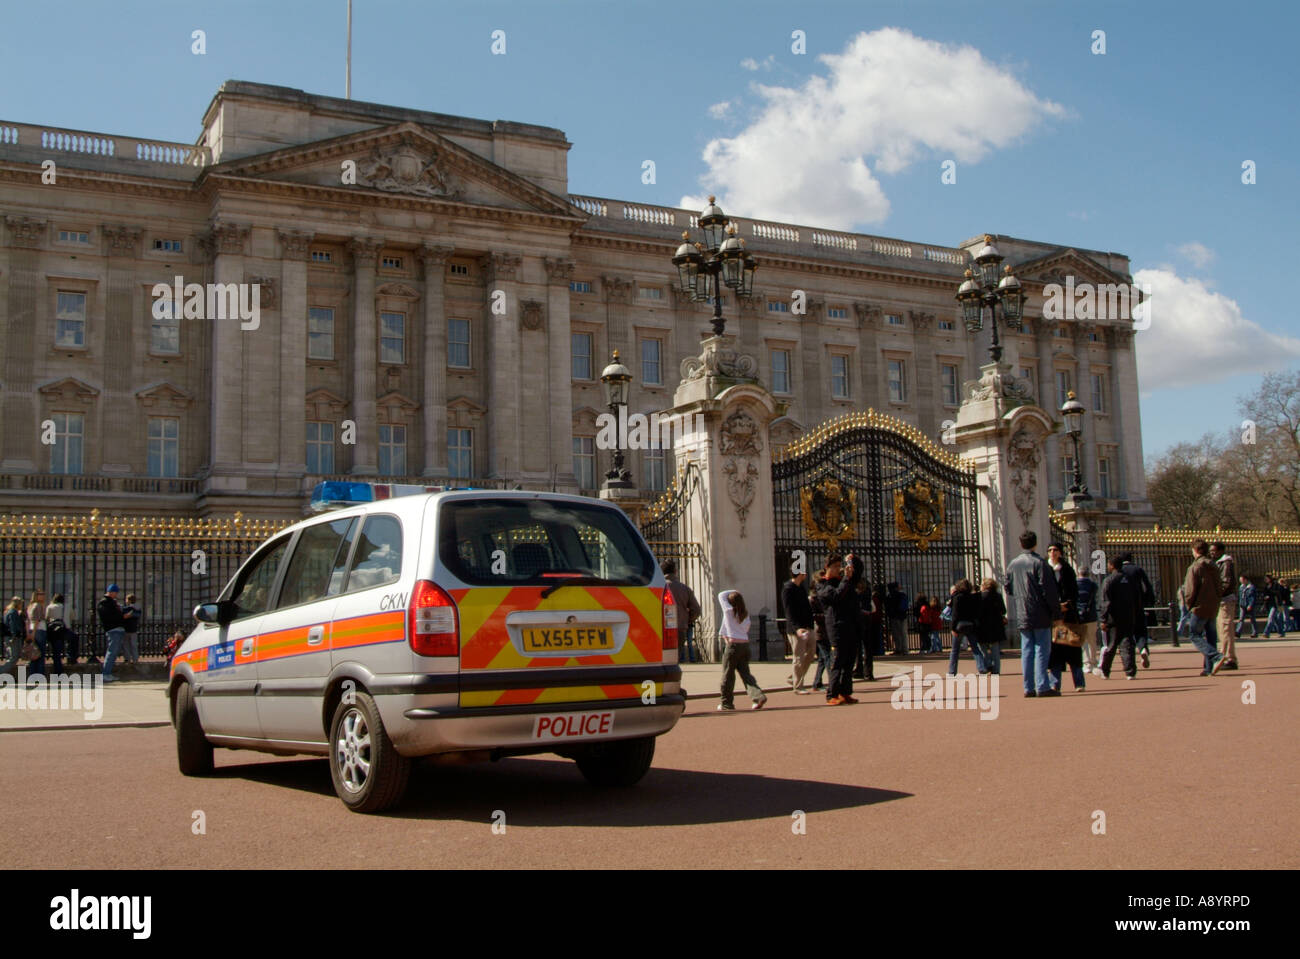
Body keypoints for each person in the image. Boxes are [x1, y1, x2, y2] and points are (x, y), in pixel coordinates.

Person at [1004, 530, 1061, 698]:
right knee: (1042, 649)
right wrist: (1056, 612)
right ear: (1035, 544)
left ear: (1021, 544)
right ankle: (1042, 685)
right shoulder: (1040, 563)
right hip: (1040, 611)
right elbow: (1049, 591)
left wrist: (1021, 598)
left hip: (1022, 611)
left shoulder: (1013, 564)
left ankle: (1028, 687)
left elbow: (1008, 587)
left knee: (1027, 650)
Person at [816, 553, 864, 705]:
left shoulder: (844, 581)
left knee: (850, 660)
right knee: (838, 660)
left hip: (850, 623)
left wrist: (853, 560)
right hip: (836, 626)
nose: (838, 569)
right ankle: (832, 694)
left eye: (839, 566)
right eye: (835, 567)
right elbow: (836, 597)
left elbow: (858, 573)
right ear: (827, 567)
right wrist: (845, 579)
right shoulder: (823, 584)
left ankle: (845, 692)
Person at [1183, 539, 1228, 676]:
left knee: (1194, 634)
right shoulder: (1213, 565)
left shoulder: (1195, 567)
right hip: (1213, 604)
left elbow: (1190, 590)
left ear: (1195, 550)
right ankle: (1209, 668)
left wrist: (1189, 604)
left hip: (1200, 605)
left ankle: (1216, 656)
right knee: (1211, 636)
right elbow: (1220, 585)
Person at [716, 589, 766, 710]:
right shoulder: (745, 615)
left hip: (733, 646)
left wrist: (734, 590)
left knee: (728, 675)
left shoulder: (728, 611)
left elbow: (721, 595)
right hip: (744, 645)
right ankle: (758, 696)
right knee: (746, 674)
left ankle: (726, 703)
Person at [1097, 555, 1138, 679]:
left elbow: (1105, 602)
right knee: (1127, 644)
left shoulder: (1109, 580)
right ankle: (1130, 671)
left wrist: (1103, 619)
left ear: (1111, 565)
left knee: (1112, 645)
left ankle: (1105, 670)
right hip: (1128, 616)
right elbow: (1137, 598)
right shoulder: (1130, 579)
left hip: (1113, 618)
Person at [1117, 553, 1156, 669]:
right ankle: (1143, 648)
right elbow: (1147, 586)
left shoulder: (1119, 571)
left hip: (1124, 606)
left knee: (1127, 633)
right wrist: (1148, 600)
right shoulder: (1138, 569)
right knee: (1141, 630)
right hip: (1138, 605)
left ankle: (1130, 658)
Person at [781, 570, 816, 693]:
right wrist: (797, 628)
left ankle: (793, 677)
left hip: (807, 626)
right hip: (796, 629)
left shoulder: (801, 588)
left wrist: (811, 625)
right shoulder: (788, 589)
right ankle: (798, 686)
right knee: (798, 657)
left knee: (811, 653)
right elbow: (789, 611)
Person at [662, 560, 701, 664]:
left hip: (660, 627)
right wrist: (687, 620)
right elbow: (696, 609)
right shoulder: (685, 588)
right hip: (680, 626)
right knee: (677, 658)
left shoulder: (659, 588)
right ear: (675, 571)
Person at [1209, 542, 1239, 670]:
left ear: (1221, 551)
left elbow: (1226, 583)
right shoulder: (1219, 563)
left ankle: (1228, 657)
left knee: (1226, 629)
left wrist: (1216, 594)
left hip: (1225, 600)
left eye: (1214, 551)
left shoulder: (1225, 563)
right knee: (1222, 629)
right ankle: (1228, 656)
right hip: (1221, 600)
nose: (1212, 553)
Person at [947, 579, 983, 676]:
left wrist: (952, 628)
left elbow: (955, 614)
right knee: (975, 648)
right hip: (970, 624)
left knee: (955, 650)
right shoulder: (972, 597)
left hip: (959, 625)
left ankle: (952, 671)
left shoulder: (957, 597)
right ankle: (981, 667)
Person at [97, 584, 128, 683]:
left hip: (116, 628)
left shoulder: (110, 603)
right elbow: (111, 617)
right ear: (111, 592)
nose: (116, 595)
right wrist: (122, 616)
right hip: (113, 629)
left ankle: (108, 673)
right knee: (112, 652)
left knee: (114, 652)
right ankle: (105, 674)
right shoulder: (106, 603)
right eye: (115, 593)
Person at [975, 578, 1006, 674]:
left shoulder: (979, 596)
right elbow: (1003, 611)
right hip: (995, 626)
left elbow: (976, 612)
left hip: (982, 626)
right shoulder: (998, 596)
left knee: (982, 647)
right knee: (995, 649)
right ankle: (996, 670)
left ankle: (987, 664)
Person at [1075, 568, 1101, 676]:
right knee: (1092, 640)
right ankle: (1094, 661)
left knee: (1083, 641)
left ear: (1078, 573)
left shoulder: (1074, 585)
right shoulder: (1093, 585)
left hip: (1079, 616)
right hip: (1091, 616)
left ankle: (1086, 664)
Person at [810, 573, 832, 691]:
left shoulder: (822, 597)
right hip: (820, 632)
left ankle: (817, 682)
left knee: (822, 658)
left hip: (826, 630)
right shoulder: (813, 599)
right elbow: (813, 616)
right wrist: (827, 616)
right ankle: (832, 681)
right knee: (828, 657)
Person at [26, 589, 49, 679]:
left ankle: (32, 675)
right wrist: (34, 633)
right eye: (41, 594)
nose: (43, 595)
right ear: (36, 595)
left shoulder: (30, 606)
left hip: (32, 630)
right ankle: (39, 676)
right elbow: (37, 620)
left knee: (33, 654)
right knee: (40, 654)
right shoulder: (38, 605)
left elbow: (28, 621)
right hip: (39, 630)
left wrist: (29, 633)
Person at [45, 592, 69, 675]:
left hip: (54, 631)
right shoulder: (67, 607)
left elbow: (46, 618)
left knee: (56, 652)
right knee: (71, 642)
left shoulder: (50, 607)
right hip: (64, 629)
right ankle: (71, 658)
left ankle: (58, 670)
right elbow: (72, 616)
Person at [886, 582, 909, 655]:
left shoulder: (890, 595)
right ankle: (905, 649)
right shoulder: (902, 595)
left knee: (896, 634)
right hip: (903, 616)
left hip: (895, 616)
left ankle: (898, 649)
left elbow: (888, 607)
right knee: (903, 633)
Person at [122, 593, 142, 664]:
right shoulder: (137, 609)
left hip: (126, 628)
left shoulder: (125, 609)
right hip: (134, 628)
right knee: (133, 645)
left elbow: (123, 616)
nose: (125, 601)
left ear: (129, 600)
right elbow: (137, 616)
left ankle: (127, 658)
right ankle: (135, 658)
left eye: (126, 599)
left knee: (126, 644)